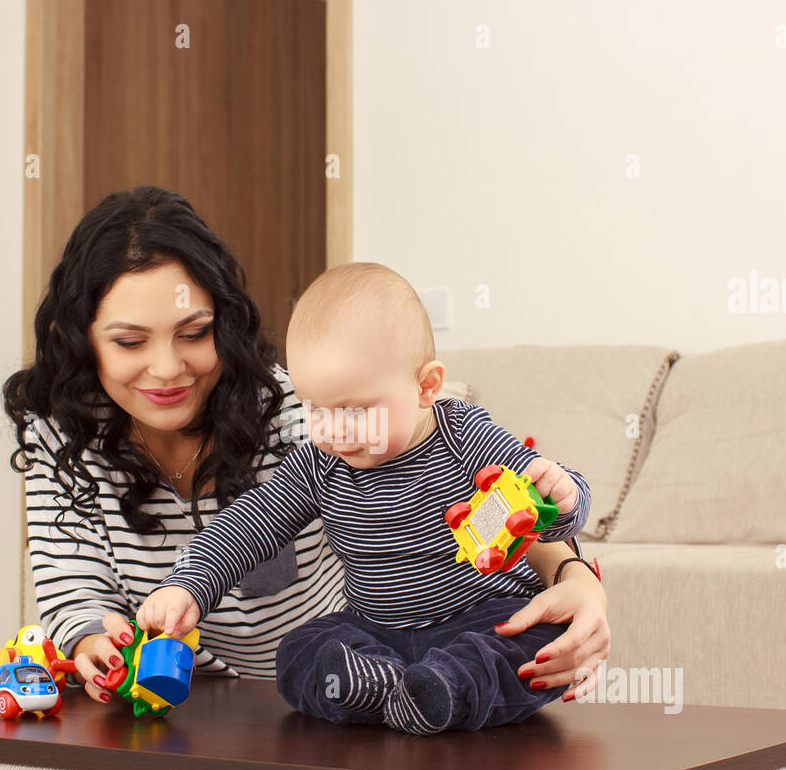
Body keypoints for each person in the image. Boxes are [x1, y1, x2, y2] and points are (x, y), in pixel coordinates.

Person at [3, 186, 610, 708]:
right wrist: (103, 634)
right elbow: (92, 578)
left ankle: (433, 694)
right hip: (249, 690)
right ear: (85, 342)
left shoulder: (304, 409)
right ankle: (388, 690)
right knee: (315, 650)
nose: (167, 368)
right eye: (130, 342)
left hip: (377, 661)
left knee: (493, 644)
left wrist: (579, 575)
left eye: (194, 333)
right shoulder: (59, 430)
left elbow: (515, 499)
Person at [138, 262, 598, 734]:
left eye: (354, 411)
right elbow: (247, 528)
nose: (332, 431)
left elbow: (537, 502)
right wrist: (187, 585)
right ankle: (378, 685)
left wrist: (563, 498)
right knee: (299, 650)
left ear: (426, 387)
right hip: (379, 634)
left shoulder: (464, 435)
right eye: (314, 408)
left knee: (539, 639)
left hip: (482, 618)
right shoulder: (320, 463)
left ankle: (442, 689)